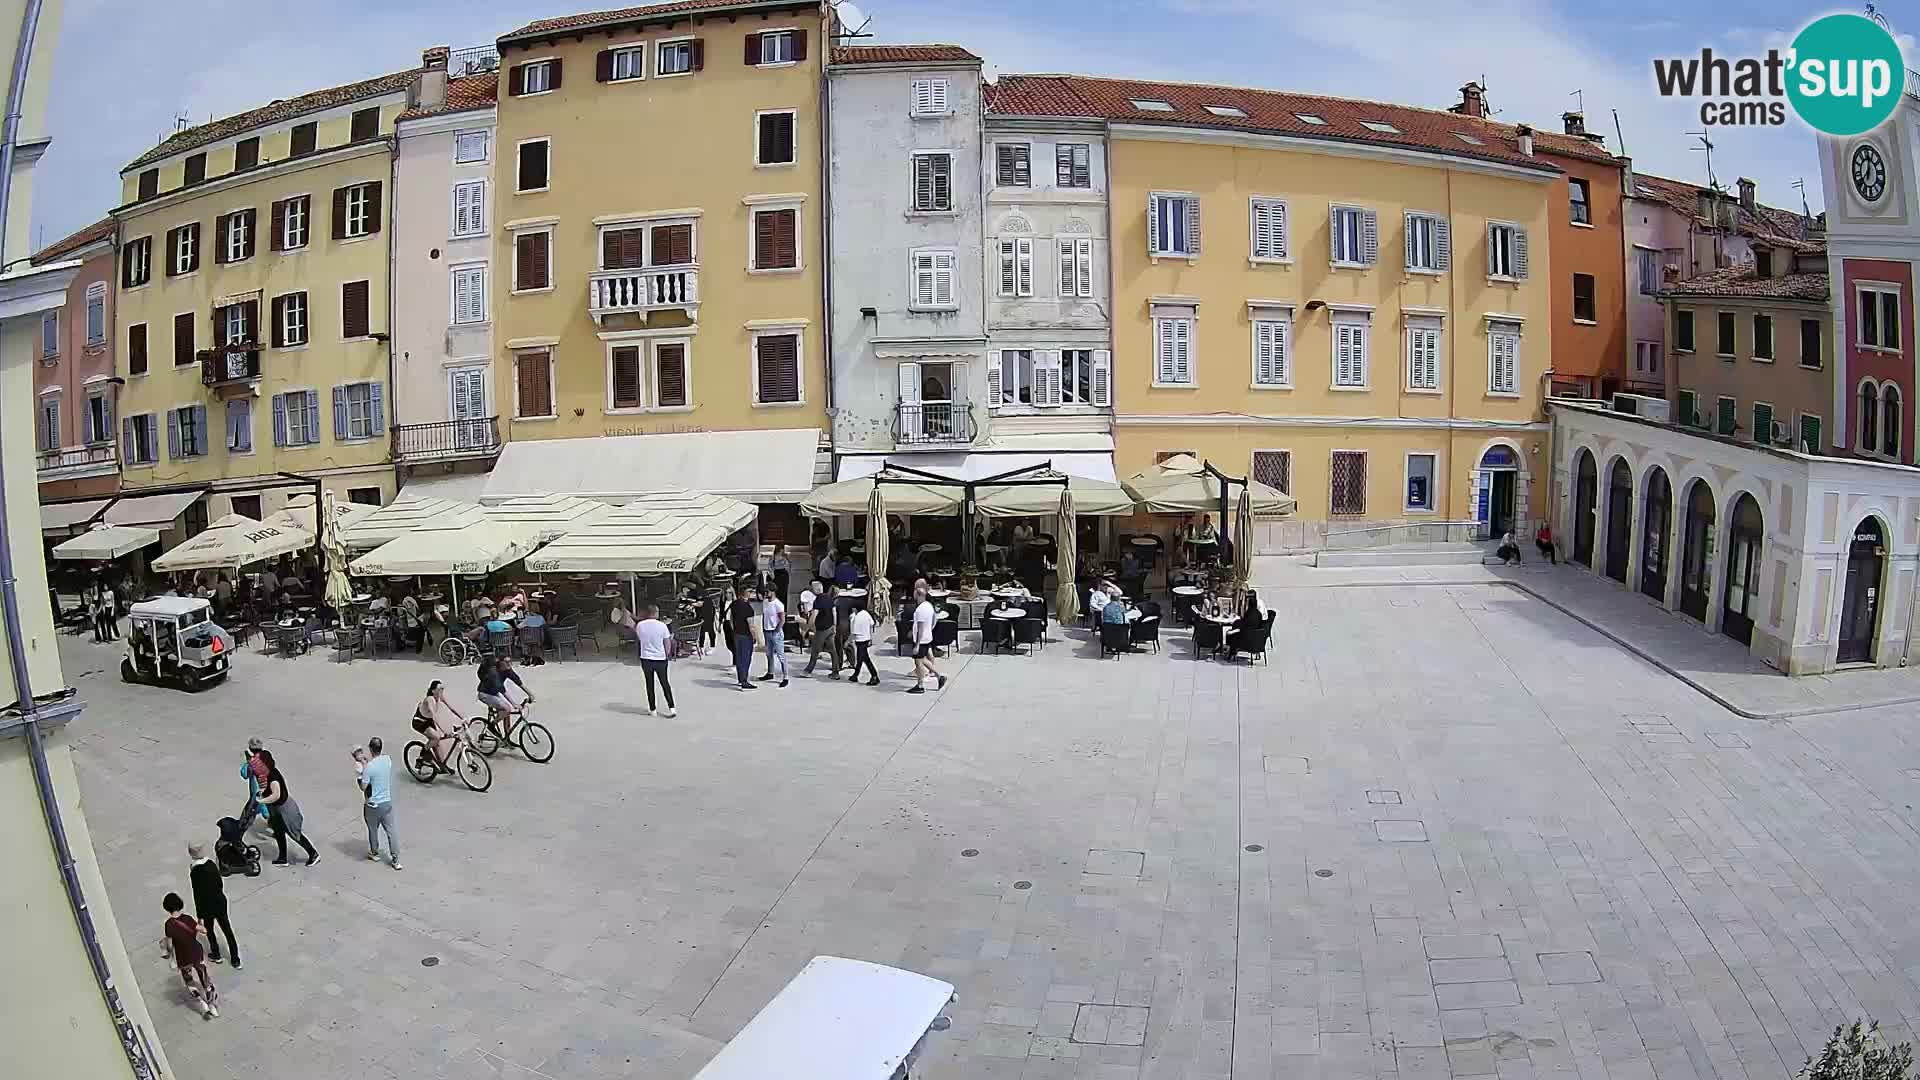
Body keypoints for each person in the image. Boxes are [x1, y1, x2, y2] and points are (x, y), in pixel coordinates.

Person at [161, 893, 219, 1018]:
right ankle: (212, 1005)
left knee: (189, 980)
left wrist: (169, 955)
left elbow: (170, 944)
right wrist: (200, 924)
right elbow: (203, 930)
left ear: (166, 907)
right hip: (196, 952)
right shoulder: (187, 918)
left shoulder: (168, 924)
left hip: (183, 957)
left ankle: (201, 1002)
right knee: (204, 977)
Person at [256, 750, 318, 867]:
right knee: (278, 831)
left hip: (285, 810)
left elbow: (276, 795)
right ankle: (282, 858)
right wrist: (263, 792)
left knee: (295, 833)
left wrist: (261, 801)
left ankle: (313, 854)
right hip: (276, 810)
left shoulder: (273, 776)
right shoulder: (268, 773)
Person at [187, 843, 240, 968]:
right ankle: (235, 959)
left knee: (209, 929)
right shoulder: (211, 864)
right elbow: (219, 883)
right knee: (227, 930)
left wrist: (199, 915)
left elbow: (197, 894)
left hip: (207, 905)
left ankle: (216, 954)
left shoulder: (195, 871)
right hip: (220, 901)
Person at [361, 737, 399, 869]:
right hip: (386, 802)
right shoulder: (387, 760)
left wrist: (363, 769)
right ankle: (395, 860)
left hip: (373, 805)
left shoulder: (369, 767)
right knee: (391, 831)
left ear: (371, 749)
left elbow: (363, 787)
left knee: (373, 829)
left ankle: (374, 852)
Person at [635, 603, 676, 717]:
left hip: (646, 658)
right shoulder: (662, 626)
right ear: (656, 613)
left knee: (649, 684)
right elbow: (667, 643)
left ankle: (652, 709)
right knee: (665, 683)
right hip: (660, 658)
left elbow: (640, 639)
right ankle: (671, 707)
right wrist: (666, 654)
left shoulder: (640, 625)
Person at [477, 656, 532, 734]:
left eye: (510, 661)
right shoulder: (493, 672)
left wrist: (530, 694)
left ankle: (507, 738)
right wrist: (514, 704)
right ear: (501, 663)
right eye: (506, 662)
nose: (509, 664)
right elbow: (502, 690)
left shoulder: (507, 670)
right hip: (484, 694)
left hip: (494, 693)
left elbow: (518, 682)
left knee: (507, 712)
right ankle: (491, 726)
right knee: (507, 709)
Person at [907, 587, 946, 694]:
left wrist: (917, 645)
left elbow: (920, 628)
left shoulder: (920, 610)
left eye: (915, 594)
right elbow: (934, 620)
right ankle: (938, 676)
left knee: (918, 661)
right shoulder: (929, 606)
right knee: (921, 659)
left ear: (919, 595)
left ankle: (921, 685)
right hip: (927, 636)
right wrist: (929, 629)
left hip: (921, 639)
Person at [804, 582, 842, 679]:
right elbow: (834, 612)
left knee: (815, 651)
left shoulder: (818, 600)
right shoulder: (829, 597)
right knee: (833, 651)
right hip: (830, 628)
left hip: (821, 629)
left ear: (815, 590)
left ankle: (808, 671)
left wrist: (807, 628)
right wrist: (834, 625)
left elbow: (814, 615)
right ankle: (835, 672)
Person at [727, 583, 757, 691]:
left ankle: (740, 679)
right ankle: (744, 681)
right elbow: (751, 625)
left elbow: (730, 618)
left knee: (739, 657)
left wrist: (734, 629)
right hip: (745, 635)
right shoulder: (748, 608)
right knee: (745, 658)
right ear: (745, 593)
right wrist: (754, 637)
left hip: (737, 634)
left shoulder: (734, 604)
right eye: (750, 591)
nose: (752, 594)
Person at [237, 738, 268, 835]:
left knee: (247, 815)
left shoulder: (252, 763)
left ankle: (239, 833)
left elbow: (244, 774)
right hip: (268, 790)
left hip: (257, 795)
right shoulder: (266, 758)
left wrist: (247, 762)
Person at [759, 589, 789, 686]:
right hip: (767, 631)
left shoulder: (778, 604)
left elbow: (782, 619)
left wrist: (777, 630)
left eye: (767, 592)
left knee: (781, 655)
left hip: (775, 632)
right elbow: (764, 616)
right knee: (768, 653)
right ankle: (770, 672)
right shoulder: (765, 602)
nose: (765, 594)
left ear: (773, 592)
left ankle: (786, 677)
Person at [848, 599, 880, 686]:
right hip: (866, 639)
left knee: (865, 659)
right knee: (861, 658)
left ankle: (874, 676)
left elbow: (854, 632)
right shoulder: (866, 614)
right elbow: (872, 623)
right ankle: (856, 675)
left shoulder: (856, 617)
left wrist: (848, 641)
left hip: (860, 640)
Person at [796, 580, 818, 648]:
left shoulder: (814, 595)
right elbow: (804, 606)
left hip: (812, 613)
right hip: (808, 613)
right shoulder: (806, 594)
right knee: (805, 629)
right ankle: (805, 642)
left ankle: (806, 642)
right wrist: (806, 612)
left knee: (807, 629)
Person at [769, 543, 792, 608]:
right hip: (778, 575)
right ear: (780, 550)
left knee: (784, 593)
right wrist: (772, 574)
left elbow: (789, 566)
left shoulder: (784, 557)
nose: (783, 551)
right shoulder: (773, 558)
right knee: (777, 593)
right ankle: (777, 609)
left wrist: (788, 559)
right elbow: (770, 567)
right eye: (782, 550)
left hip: (784, 576)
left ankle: (783, 609)